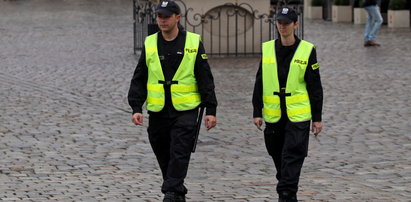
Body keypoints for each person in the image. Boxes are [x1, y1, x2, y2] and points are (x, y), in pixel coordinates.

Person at [127, 1, 217, 201]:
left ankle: (171, 192)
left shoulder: (193, 42)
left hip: (186, 108)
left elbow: (205, 77)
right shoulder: (150, 43)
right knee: (161, 147)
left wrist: (211, 109)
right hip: (158, 109)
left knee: (180, 148)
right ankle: (176, 190)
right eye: (160, 16)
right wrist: (136, 107)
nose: (162, 20)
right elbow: (140, 76)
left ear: (178, 18)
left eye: (167, 16)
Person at [252, 7, 323, 202]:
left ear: (295, 25)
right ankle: (286, 185)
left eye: (287, 23)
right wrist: (257, 111)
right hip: (274, 113)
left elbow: (315, 86)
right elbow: (260, 81)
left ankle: (286, 193)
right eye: (280, 22)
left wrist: (317, 118)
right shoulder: (268, 49)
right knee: (277, 153)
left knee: (293, 153)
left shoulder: (307, 50)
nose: (282, 26)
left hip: (298, 114)